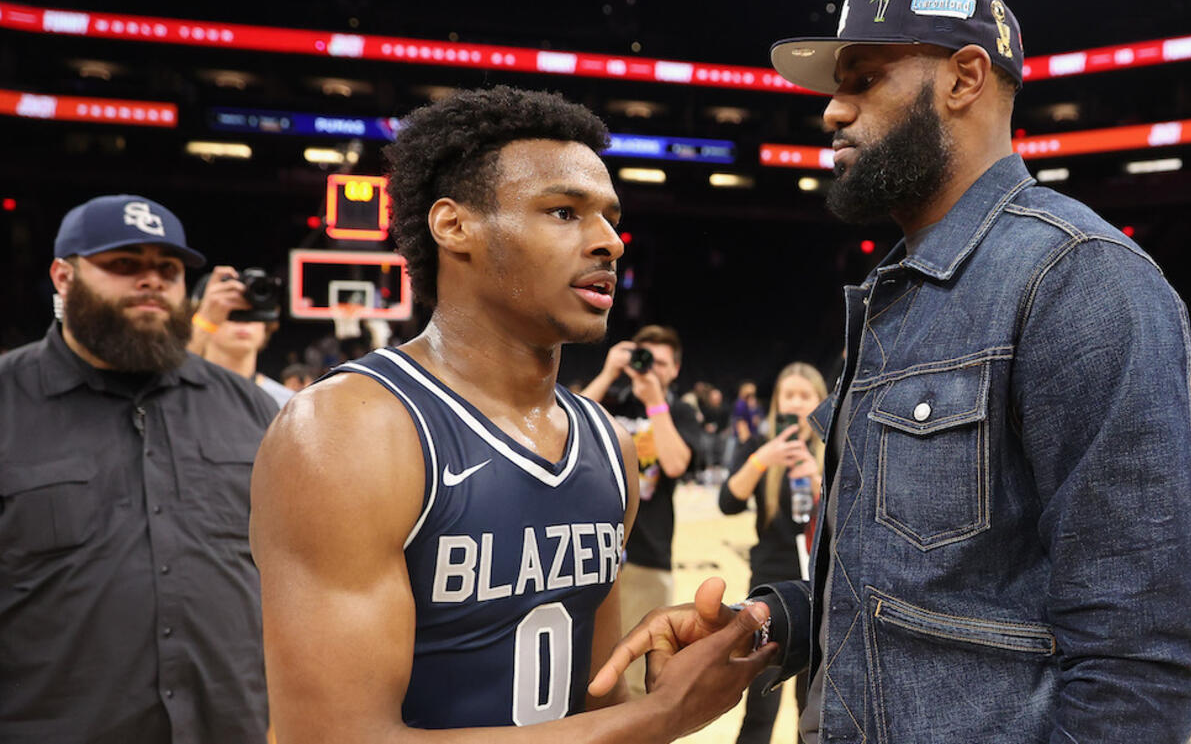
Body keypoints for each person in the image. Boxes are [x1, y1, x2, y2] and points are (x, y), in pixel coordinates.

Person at [598, 0, 1191, 742]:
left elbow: (1141, 664)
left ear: (964, 78)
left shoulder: (1080, 277)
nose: (831, 111)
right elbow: (931, 586)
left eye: (862, 79)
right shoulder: (903, 287)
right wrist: (774, 618)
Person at [250, 87, 774, 741]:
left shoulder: (605, 443)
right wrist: (660, 716)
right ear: (454, 225)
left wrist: (664, 682)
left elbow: (594, 702)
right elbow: (332, 736)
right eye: (564, 211)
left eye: (611, 217)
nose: (609, 240)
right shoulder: (348, 429)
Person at [0, 194, 278, 743]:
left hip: (228, 727)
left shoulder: (248, 407)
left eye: (167, 269)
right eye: (123, 265)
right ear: (63, 276)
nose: (150, 281)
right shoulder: (7, 400)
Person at [580, 325, 709, 695]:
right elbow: (565, 428)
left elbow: (674, 464)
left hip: (648, 556)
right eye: (645, 360)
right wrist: (607, 373)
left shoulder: (680, 411)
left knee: (635, 678)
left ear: (675, 370)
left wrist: (656, 401)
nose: (652, 370)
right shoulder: (614, 402)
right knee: (587, 670)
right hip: (596, 550)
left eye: (662, 364)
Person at [718, 363, 826, 744]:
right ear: (777, 401)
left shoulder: (834, 450)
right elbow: (728, 501)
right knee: (760, 708)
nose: (796, 403)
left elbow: (847, 516)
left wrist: (816, 478)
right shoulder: (760, 448)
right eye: (788, 395)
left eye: (804, 395)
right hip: (769, 592)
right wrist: (765, 458)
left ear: (821, 401)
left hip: (820, 592)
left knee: (811, 709)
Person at [191, 269, 295, 407]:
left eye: (254, 310)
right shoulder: (179, 395)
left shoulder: (288, 404)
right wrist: (204, 324)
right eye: (232, 311)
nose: (243, 321)